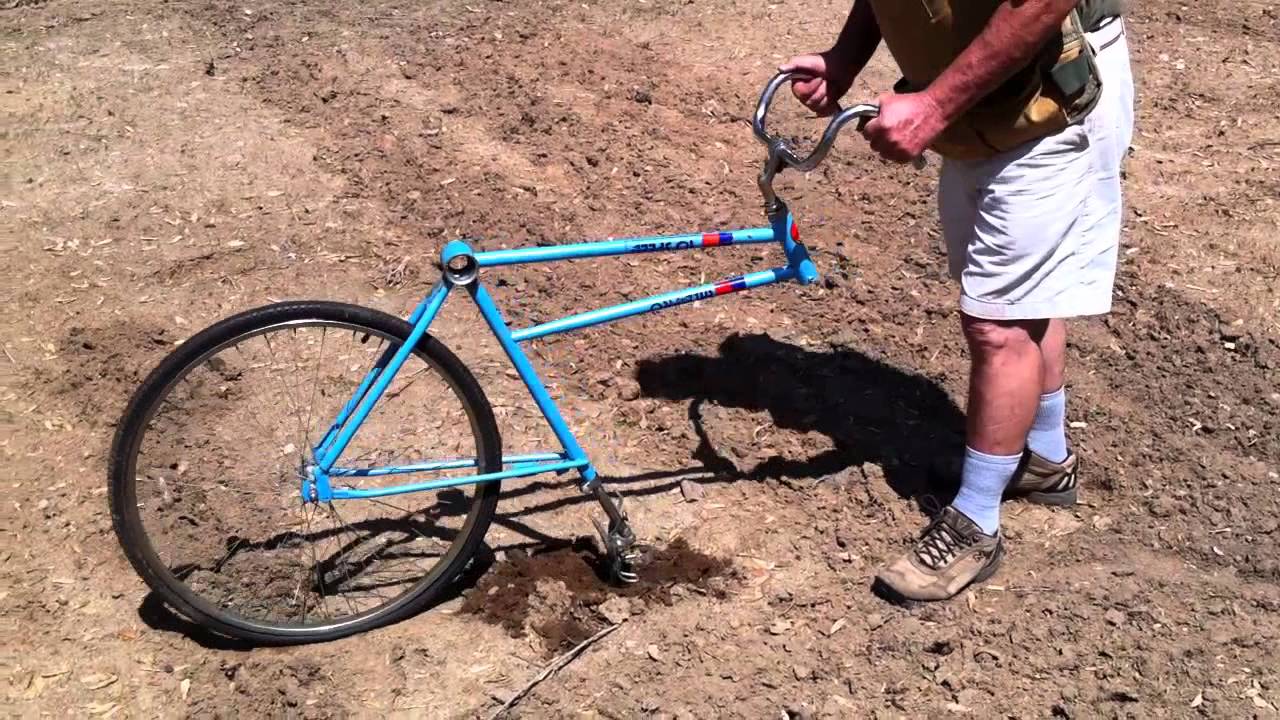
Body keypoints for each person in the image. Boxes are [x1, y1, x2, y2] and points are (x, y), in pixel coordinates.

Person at [782, 0, 1134, 603]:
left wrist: (935, 106)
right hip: (985, 103)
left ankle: (976, 522)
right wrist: (844, 58)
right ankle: (1045, 460)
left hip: (1049, 99)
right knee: (1022, 300)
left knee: (997, 324)